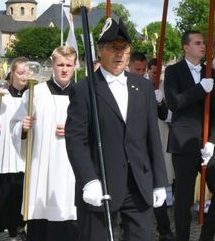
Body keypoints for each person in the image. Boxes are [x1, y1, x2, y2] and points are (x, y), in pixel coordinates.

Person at [67, 17, 168, 241]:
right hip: (101, 182)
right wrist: (88, 180)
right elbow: (76, 141)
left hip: (138, 185)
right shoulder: (84, 90)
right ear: (101, 51)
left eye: (123, 48)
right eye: (113, 48)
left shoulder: (142, 87)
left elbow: (152, 138)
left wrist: (159, 181)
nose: (119, 53)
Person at [164, 31, 215, 241]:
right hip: (184, 142)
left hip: (208, 142)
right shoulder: (173, 71)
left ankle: (206, 237)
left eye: (204, 43)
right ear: (186, 47)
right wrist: (199, 89)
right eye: (198, 43)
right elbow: (175, 103)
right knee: (183, 199)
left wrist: (212, 140)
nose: (203, 46)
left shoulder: (212, 73)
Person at [13, 47, 79, 240]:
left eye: (68, 65)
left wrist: (72, 131)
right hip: (41, 170)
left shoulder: (82, 95)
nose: (64, 69)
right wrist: (23, 127)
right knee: (41, 226)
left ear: (75, 66)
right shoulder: (35, 93)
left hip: (70, 170)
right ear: (52, 65)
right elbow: (15, 126)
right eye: (60, 65)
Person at [0, 57, 30, 240]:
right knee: (8, 194)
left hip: (24, 153)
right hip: (6, 152)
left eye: (26, 72)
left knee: (23, 193)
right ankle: (12, 230)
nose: (23, 76)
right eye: (20, 72)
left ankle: (22, 226)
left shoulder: (32, 96)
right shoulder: (0, 97)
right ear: (12, 73)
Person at [133, 52, 175, 241]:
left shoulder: (150, 88)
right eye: (138, 70)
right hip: (128, 148)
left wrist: (159, 103)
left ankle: (164, 230)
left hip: (149, 145)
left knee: (156, 187)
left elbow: (166, 116)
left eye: (143, 70)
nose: (141, 73)